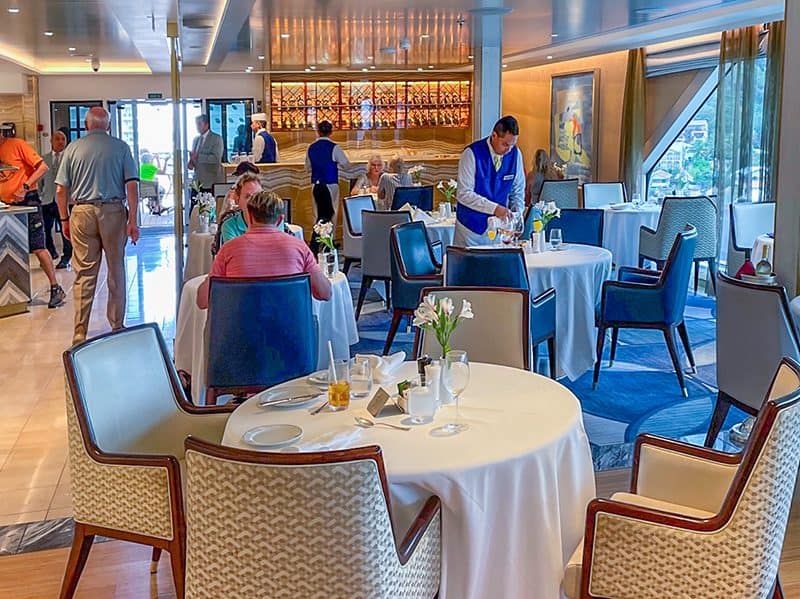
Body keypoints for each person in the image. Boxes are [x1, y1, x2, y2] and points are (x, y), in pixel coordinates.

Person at [55, 106, 139, 345]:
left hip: (81, 211)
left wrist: (64, 219)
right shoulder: (121, 147)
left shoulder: (72, 149)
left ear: (86, 125)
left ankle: (80, 331)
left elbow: (61, 190)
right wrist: (133, 220)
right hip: (113, 211)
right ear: (109, 126)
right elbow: (131, 186)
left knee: (84, 273)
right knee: (116, 269)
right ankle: (116, 324)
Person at [197, 190, 331, 309]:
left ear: (249, 216)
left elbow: (202, 300)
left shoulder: (228, 250)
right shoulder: (300, 248)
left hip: (239, 334)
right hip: (291, 333)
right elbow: (325, 293)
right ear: (280, 220)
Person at [0, 124, 66, 308]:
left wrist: (25, 187)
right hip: (6, 206)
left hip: (28, 202)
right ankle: (14, 291)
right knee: (9, 248)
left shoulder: (17, 145)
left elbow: (42, 167)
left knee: (38, 247)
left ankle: (55, 288)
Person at [454, 115, 525, 247]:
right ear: (494, 135)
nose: (508, 150)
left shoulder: (515, 154)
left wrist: (517, 214)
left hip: (499, 230)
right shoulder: (471, 154)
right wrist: (495, 208)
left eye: (512, 145)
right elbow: (464, 194)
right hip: (470, 230)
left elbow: (518, 191)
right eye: (505, 144)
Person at [305, 120, 351, 231]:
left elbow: (307, 168)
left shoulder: (311, 148)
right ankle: (330, 242)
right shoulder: (334, 147)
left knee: (317, 213)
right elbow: (346, 165)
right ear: (331, 132)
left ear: (318, 131)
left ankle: (318, 240)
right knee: (331, 213)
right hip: (331, 185)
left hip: (316, 184)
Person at [40, 130, 71, 266]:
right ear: (51, 141)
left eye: (63, 139)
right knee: (46, 229)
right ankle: (51, 252)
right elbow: (39, 180)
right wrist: (41, 195)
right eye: (57, 139)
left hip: (63, 201)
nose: (60, 142)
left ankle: (66, 256)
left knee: (65, 229)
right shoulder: (43, 158)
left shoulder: (70, 158)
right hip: (47, 200)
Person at [188, 114, 224, 193]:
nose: (197, 127)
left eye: (199, 124)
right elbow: (195, 158)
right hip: (196, 181)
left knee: (207, 205)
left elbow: (216, 158)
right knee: (195, 204)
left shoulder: (216, 138)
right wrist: (191, 162)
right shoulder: (196, 140)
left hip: (209, 181)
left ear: (206, 125)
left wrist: (198, 157)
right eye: (196, 124)